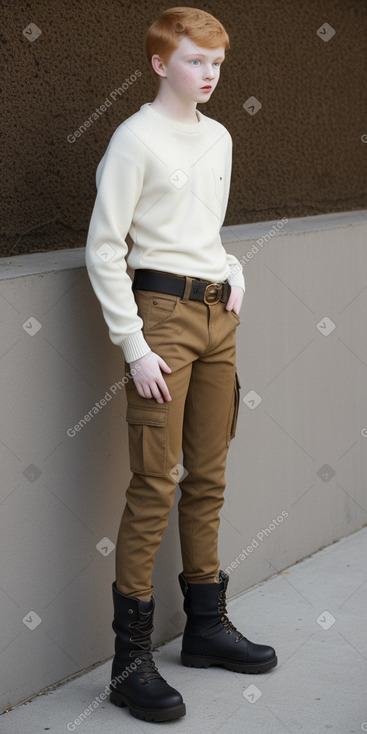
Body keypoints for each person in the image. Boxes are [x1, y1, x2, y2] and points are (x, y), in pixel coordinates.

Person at [85, 6, 277, 723]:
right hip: (159, 319)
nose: (209, 76)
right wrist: (133, 345)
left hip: (217, 315)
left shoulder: (220, 137)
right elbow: (105, 247)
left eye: (218, 64)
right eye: (196, 62)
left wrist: (233, 268)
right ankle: (129, 661)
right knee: (151, 482)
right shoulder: (133, 139)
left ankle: (204, 625)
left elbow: (204, 228)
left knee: (210, 473)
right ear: (161, 63)